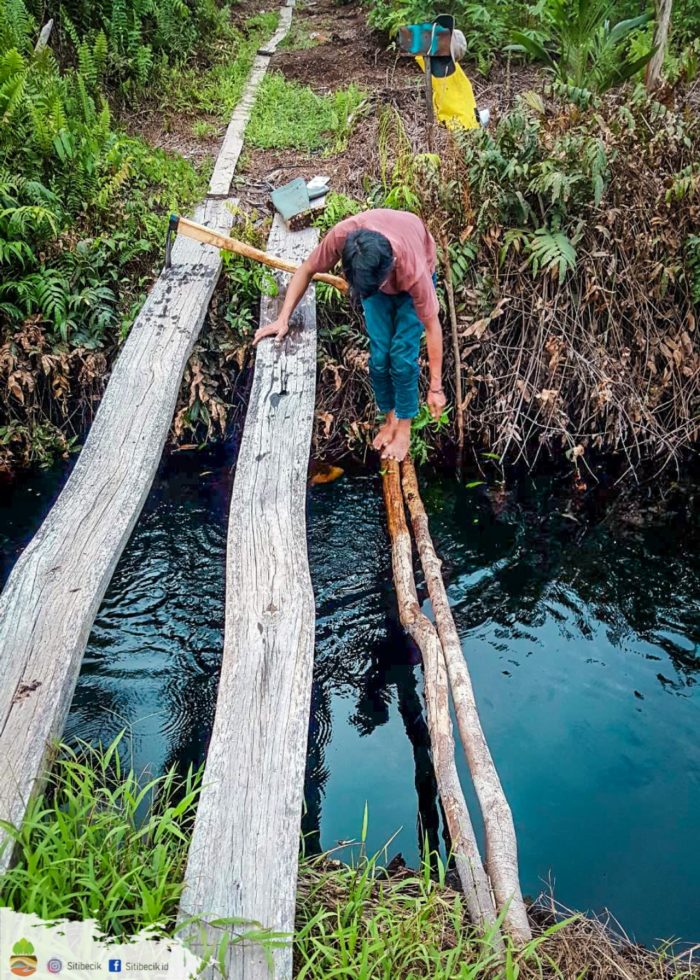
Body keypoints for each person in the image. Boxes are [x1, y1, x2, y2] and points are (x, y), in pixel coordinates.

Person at [253, 208, 446, 462]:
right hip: (374, 279)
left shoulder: (413, 269)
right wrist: (283, 318)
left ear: (391, 267)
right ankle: (390, 419)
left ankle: (404, 430)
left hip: (412, 265)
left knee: (401, 356)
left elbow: (432, 327)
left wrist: (435, 387)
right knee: (379, 356)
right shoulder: (343, 238)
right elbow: (307, 269)